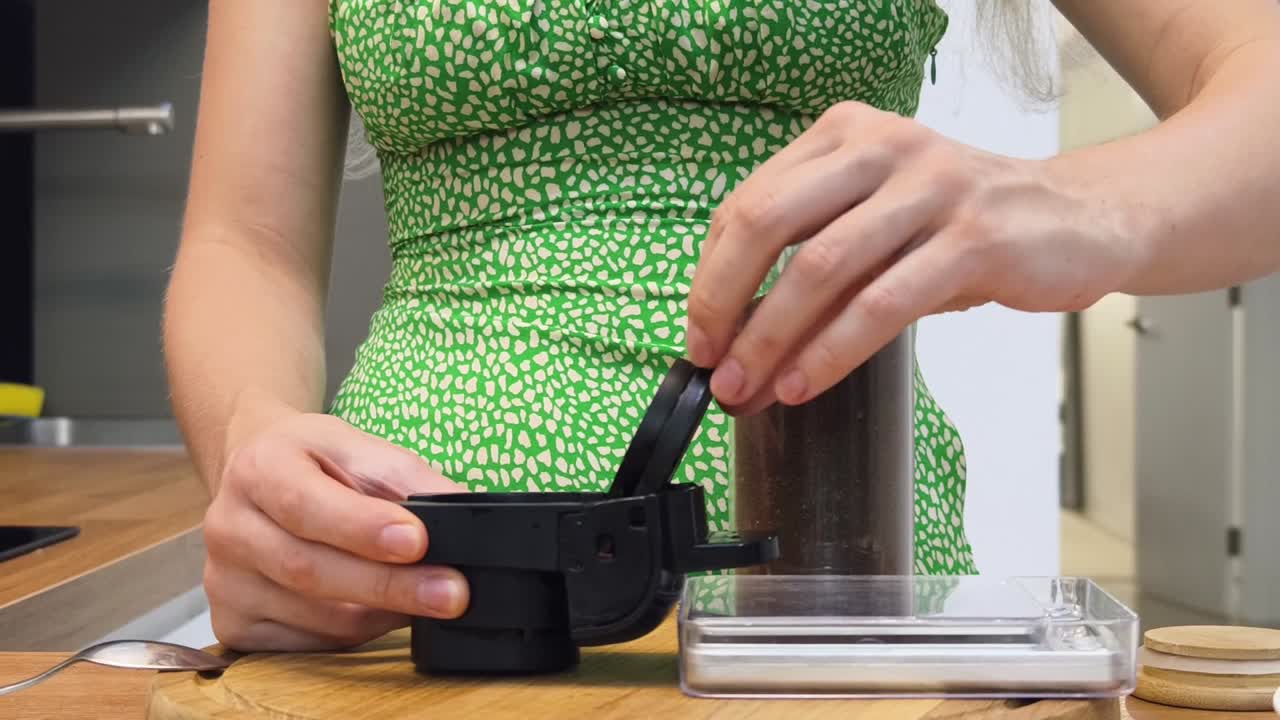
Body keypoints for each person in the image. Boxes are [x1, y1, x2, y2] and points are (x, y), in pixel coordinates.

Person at [163, 0, 1280, 652]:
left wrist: (1071, 204)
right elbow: (239, 247)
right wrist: (252, 445)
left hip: (838, 590)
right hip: (421, 604)